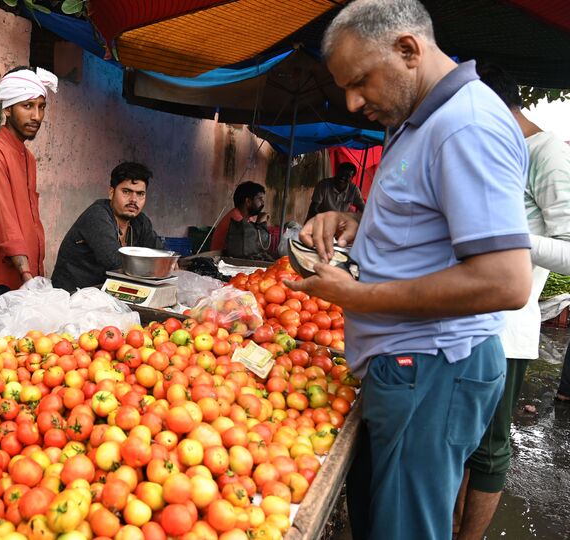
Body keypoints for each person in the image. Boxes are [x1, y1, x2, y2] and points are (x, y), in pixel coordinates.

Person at [285, 1, 533, 539]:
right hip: (412, 367)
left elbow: (504, 281)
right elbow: (428, 227)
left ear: (408, 50)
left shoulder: (466, 126)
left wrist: (355, 296)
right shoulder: (417, 119)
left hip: (433, 368)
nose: (353, 103)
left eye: (360, 82)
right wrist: (357, 225)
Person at [453, 63, 570, 540]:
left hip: (505, 331)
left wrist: (504, 235)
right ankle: (452, 526)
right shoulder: (499, 150)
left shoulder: (547, 154)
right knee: (460, 442)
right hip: (463, 321)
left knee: (488, 449)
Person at [0, 66, 58, 302]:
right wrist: (26, 276)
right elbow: (5, 218)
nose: (36, 116)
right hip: (7, 278)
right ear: (7, 109)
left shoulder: (27, 157)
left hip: (30, 275)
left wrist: (35, 275)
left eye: (41, 107)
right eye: (27, 106)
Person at [51, 162, 164, 292]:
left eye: (140, 194)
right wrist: (152, 266)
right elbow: (115, 262)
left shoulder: (140, 221)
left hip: (105, 294)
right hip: (71, 295)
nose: (134, 199)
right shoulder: (97, 215)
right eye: (126, 191)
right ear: (111, 192)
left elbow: (161, 254)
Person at [209, 181, 269, 252]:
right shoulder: (236, 220)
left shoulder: (248, 217)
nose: (262, 203)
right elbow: (250, 246)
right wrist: (260, 223)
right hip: (219, 258)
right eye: (260, 199)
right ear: (248, 201)